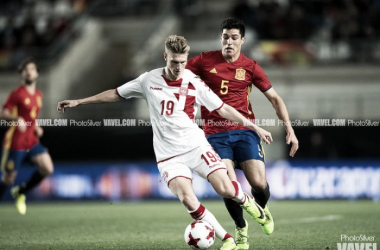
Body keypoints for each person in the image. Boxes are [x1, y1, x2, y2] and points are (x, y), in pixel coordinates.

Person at [57, 35, 273, 250]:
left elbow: (223, 108)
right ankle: (227, 239)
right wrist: (80, 101)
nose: (179, 67)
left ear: (187, 59)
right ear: (165, 57)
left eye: (182, 62)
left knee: (225, 188)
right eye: (174, 61)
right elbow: (116, 94)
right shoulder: (148, 80)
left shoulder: (194, 82)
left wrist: (253, 126)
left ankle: (251, 206)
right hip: (168, 155)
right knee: (188, 200)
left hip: (195, 147)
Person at [186, 18, 299, 249]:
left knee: (258, 183)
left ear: (242, 40)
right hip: (214, 134)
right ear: (221, 38)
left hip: (245, 131)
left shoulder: (251, 66)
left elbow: (275, 98)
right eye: (225, 37)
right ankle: (241, 229)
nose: (229, 41)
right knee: (228, 184)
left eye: (234, 37)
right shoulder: (204, 60)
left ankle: (262, 208)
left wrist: (289, 128)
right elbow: (177, 73)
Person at [0, 57, 54, 215]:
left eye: (32, 69)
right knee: (8, 179)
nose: (29, 72)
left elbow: (32, 117)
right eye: (25, 70)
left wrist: (36, 126)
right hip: (15, 142)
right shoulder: (16, 94)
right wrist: (17, 119)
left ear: (37, 73)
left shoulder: (38, 95)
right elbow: (3, 113)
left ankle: (20, 192)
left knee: (47, 168)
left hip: (31, 140)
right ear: (22, 74)